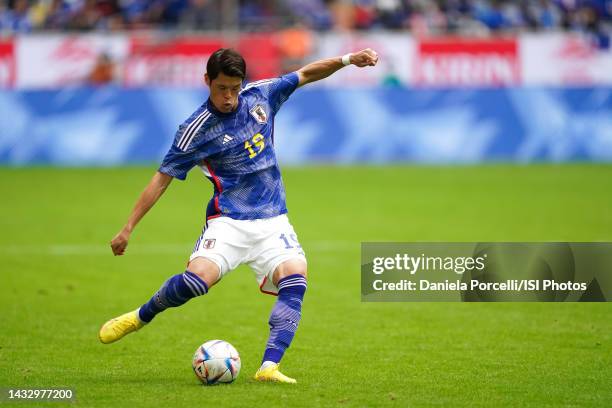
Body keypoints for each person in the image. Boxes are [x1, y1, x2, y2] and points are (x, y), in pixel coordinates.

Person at [98, 47, 378, 383]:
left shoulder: (261, 96)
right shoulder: (195, 130)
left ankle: (269, 366)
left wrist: (348, 60)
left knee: (296, 280)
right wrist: (128, 227)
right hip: (229, 221)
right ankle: (140, 317)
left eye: (234, 87)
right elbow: (161, 179)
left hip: (274, 219)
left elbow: (305, 74)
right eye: (221, 89)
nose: (229, 97)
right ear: (207, 82)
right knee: (196, 282)